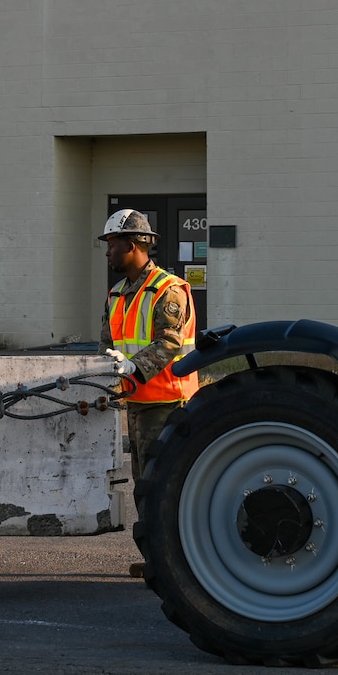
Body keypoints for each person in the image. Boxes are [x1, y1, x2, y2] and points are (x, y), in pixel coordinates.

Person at [99, 209, 198, 568]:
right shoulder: (117, 294)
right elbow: (106, 347)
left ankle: (176, 563)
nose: (108, 253)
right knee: (145, 486)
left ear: (135, 244)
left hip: (169, 404)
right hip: (137, 403)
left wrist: (133, 367)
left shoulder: (167, 291)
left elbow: (170, 341)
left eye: (112, 244)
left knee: (167, 487)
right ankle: (159, 559)